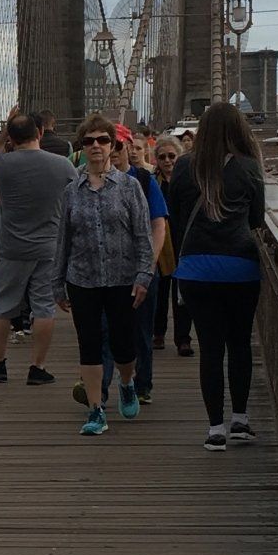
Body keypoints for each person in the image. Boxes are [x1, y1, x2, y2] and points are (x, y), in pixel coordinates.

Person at [165, 99, 267, 452]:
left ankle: (215, 429)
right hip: (240, 267)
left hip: (196, 270)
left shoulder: (182, 167)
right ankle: (241, 420)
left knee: (210, 348)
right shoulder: (250, 167)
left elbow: (176, 220)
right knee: (239, 344)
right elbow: (256, 219)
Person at [55, 114, 153, 438]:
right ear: (81, 148)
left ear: (113, 146)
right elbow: (63, 239)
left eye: (102, 140)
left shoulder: (130, 187)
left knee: (124, 346)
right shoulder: (72, 191)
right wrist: (57, 282)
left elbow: (142, 234)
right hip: (82, 278)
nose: (95, 146)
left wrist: (144, 275)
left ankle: (127, 383)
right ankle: (95, 410)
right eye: (88, 141)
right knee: (90, 345)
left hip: (122, 277)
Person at [0, 110, 74, 386]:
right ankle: (38, 367)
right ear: (40, 133)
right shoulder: (62, 165)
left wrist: (2, 133)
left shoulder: (1, 164)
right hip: (48, 247)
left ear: (12, 137)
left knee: (2, 305)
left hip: (11, 247)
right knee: (44, 307)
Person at [98, 125, 169, 407]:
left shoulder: (143, 179)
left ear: (128, 147)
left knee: (141, 332)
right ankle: (100, 392)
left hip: (140, 269)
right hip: (103, 273)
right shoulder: (89, 181)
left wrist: (148, 265)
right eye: (105, 144)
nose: (111, 151)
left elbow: (158, 224)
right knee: (103, 332)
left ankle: (141, 385)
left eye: (116, 145)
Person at [151, 134, 191, 356]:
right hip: (159, 243)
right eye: (162, 157)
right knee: (159, 289)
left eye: (172, 156)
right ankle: (158, 333)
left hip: (182, 240)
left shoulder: (188, 181)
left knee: (181, 291)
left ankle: (183, 338)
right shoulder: (150, 182)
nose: (167, 161)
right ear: (156, 159)